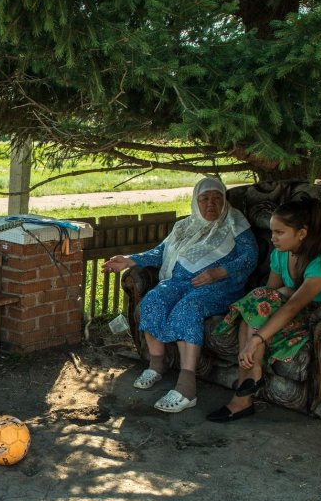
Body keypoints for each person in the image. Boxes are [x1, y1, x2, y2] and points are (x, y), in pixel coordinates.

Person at [102, 177, 257, 413]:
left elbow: (250, 258)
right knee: (153, 300)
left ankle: (187, 386)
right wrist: (129, 260)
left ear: (225, 201)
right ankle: (157, 364)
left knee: (188, 307)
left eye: (217, 198)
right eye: (204, 199)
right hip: (181, 282)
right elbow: (161, 252)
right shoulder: (184, 226)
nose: (211, 204)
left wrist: (219, 272)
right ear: (196, 202)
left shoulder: (236, 224)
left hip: (221, 286)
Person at [208, 194, 321, 423]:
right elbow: (268, 296)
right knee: (256, 306)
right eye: (272, 231)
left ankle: (243, 397)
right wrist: (280, 296)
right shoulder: (280, 254)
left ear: (302, 233)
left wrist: (257, 340)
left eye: (279, 232)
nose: (272, 238)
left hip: (319, 318)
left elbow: (294, 304)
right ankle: (249, 384)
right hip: (292, 310)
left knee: (260, 309)